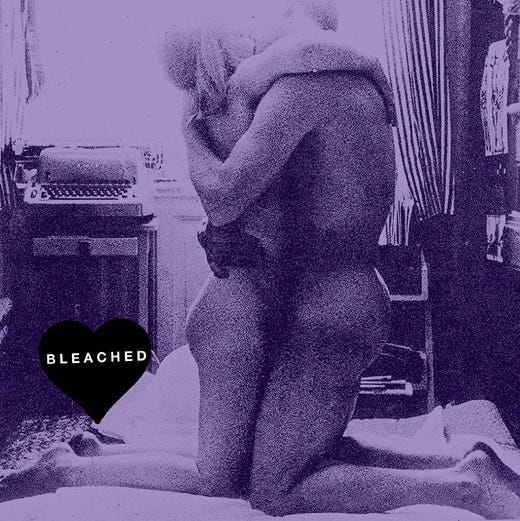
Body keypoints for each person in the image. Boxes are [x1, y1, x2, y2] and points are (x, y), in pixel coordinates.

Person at [2, 2, 520, 518]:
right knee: (265, 471)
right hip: (318, 300)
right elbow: (254, 203)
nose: (253, 33)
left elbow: (238, 196)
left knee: (271, 478)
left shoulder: (294, 87)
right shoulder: (322, 83)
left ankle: (464, 480)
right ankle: (463, 475)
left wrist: (198, 152)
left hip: (316, 306)